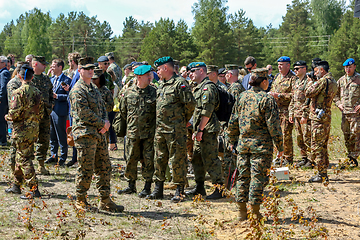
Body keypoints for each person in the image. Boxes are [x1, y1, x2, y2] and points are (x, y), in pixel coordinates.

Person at [227, 68, 283, 221]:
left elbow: (233, 122)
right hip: (261, 147)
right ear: (264, 82)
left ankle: (241, 213)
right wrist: (280, 146)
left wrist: (232, 141)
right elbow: (274, 127)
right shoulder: (267, 99)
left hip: (243, 145)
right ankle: (256, 213)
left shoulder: (242, 97)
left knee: (243, 177)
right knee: (257, 178)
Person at [69, 57, 124, 212]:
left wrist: (105, 124)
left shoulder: (94, 89)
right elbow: (84, 113)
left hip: (99, 135)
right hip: (85, 134)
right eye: (87, 69)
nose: (90, 71)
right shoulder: (77, 90)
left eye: (92, 68)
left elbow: (103, 109)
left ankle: (105, 200)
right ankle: (80, 199)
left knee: (105, 167)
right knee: (85, 169)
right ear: (80, 71)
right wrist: (102, 123)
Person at [147, 56, 195, 202]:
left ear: (166, 68)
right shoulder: (162, 84)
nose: (157, 72)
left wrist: (183, 120)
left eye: (159, 69)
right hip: (161, 129)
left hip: (176, 129)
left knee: (177, 159)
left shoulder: (180, 83)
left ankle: (179, 190)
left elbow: (190, 104)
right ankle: (158, 189)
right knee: (159, 158)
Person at [185, 62, 224, 199]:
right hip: (199, 129)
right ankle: (199, 187)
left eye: (193, 71)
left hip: (207, 129)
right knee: (197, 158)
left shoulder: (208, 88)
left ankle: (219, 188)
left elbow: (207, 111)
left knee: (210, 159)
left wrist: (200, 129)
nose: (190, 74)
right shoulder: (198, 87)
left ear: (202, 71)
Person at [116, 65, 156, 197]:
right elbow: (123, 111)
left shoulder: (154, 92)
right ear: (139, 77)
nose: (150, 77)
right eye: (147, 75)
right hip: (133, 132)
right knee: (131, 159)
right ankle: (130, 185)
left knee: (148, 160)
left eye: (150, 75)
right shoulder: (128, 93)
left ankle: (147, 187)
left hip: (149, 134)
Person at [4, 64, 43, 199]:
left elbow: (14, 113)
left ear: (19, 76)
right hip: (33, 130)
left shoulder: (18, 92)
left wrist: (7, 117)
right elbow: (41, 112)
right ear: (32, 77)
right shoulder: (37, 92)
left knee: (24, 159)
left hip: (21, 131)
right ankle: (16, 185)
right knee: (19, 157)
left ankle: (34, 189)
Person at [305, 61, 338, 183]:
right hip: (326, 116)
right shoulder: (333, 81)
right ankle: (323, 171)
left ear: (322, 71)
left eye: (316, 71)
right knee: (323, 146)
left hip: (318, 118)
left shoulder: (323, 81)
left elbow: (308, 92)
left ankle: (321, 174)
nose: (315, 73)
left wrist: (310, 82)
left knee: (317, 146)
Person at [269, 56, 296, 165]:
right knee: (277, 135)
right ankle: (279, 156)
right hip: (276, 111)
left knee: (286, 135)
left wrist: (279, 95)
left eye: (281, 64)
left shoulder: (293, 78)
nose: (279, 67)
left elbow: (294, 95)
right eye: (278, 64)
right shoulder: (277, 77)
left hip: (286, 111)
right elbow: (272, 89)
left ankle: (288, 158)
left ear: (288, 65)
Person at [334, 58, 360, 168]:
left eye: (350, 67)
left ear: (354, 66)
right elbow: (335, 95)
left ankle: (354, 158)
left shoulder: (358, 79)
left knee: (355, 134)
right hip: (345, 113)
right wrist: (338, 104)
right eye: (346, 67)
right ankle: (350, 157)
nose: (348, 69)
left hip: (356, 114)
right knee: (347, 135)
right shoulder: (341, 80)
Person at [45, 59, 71, 166]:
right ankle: (53, 155)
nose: (52, 68)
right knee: (52, 135)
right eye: (51, 66)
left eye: (54, 66)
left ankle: (63, 157)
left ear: (60, 67)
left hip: (60, 111)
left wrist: (58, 96)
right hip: (51, 110)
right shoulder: (51, 80)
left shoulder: (67, 80)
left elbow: (69, 96)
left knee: (61, 135)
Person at [32, 56, 54, 175]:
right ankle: (27, 165)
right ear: (35, 64)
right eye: (43, 64)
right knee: (29, 140)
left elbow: (51, 93)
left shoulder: (46, 79)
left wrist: (51, 106)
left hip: (45, 113)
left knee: (44, 139)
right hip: (32, 115)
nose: (45, 66)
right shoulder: (29, 78)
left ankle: (41, 164)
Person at [289, 61, 313, 167]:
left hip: (304, 115)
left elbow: (310, 100)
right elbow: (293, 99)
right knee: (299, 137)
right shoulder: (296, 81)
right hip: (296, 114)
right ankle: (304, 158)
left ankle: (311, 159)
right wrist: (291, 113)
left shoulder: (309, 82)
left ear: (304, 69)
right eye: (294, 69)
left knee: (307, 137)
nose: (295, 71)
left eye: (297, 69)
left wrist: (305, 115)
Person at [6, 62, 26, 172]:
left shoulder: (24, 83)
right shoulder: (13, 83)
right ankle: (13, 166)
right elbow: (14, 102)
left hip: (23, 117)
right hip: (15, 117)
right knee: (14, 143)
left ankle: (19, 168)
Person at [65, 53, 82, 168]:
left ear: (73, 62)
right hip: (72, 108)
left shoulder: (79, 74)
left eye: (69, 61)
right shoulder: (75, 73)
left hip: (75, 109)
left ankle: (76, 159)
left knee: (76, 133)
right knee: (73, 133)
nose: (69, 64)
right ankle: (74, 158)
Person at [0, 56, 10, 146]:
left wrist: (0, 98)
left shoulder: (4, 73)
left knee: (1, 120)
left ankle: (3, 141)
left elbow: (3, 88)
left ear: (3, 63)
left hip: (2, 101)